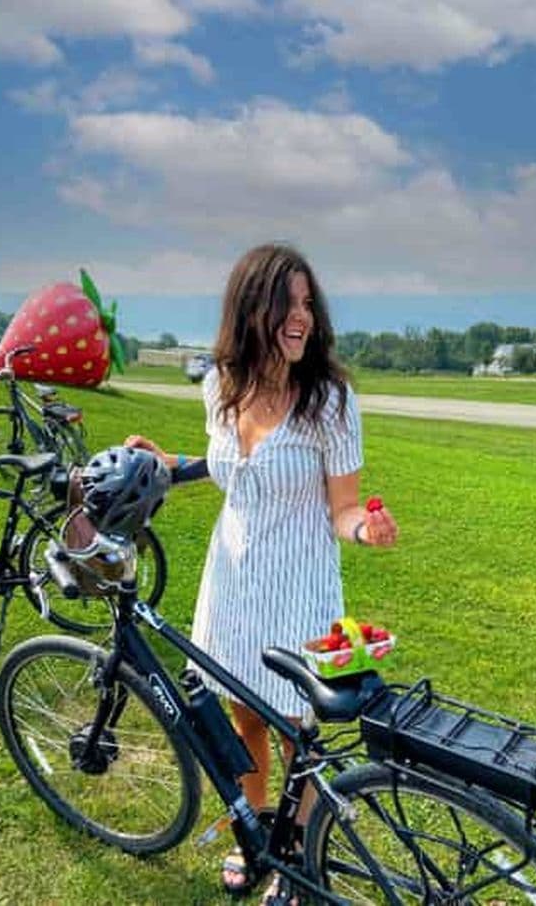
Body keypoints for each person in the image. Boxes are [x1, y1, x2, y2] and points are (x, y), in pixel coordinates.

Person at [125, 243, 398, 905]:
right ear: (254, 308)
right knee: (243, 712)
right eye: (289, 303)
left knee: (294, 726)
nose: (302, 316)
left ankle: (300, 861)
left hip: (298, 586)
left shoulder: (330, 401)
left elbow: (341, 506)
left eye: (309, 304)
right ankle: (255, 836)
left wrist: (364, 526)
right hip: (232, 580)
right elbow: (230, 467)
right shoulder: (221, 383)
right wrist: (173, 462)